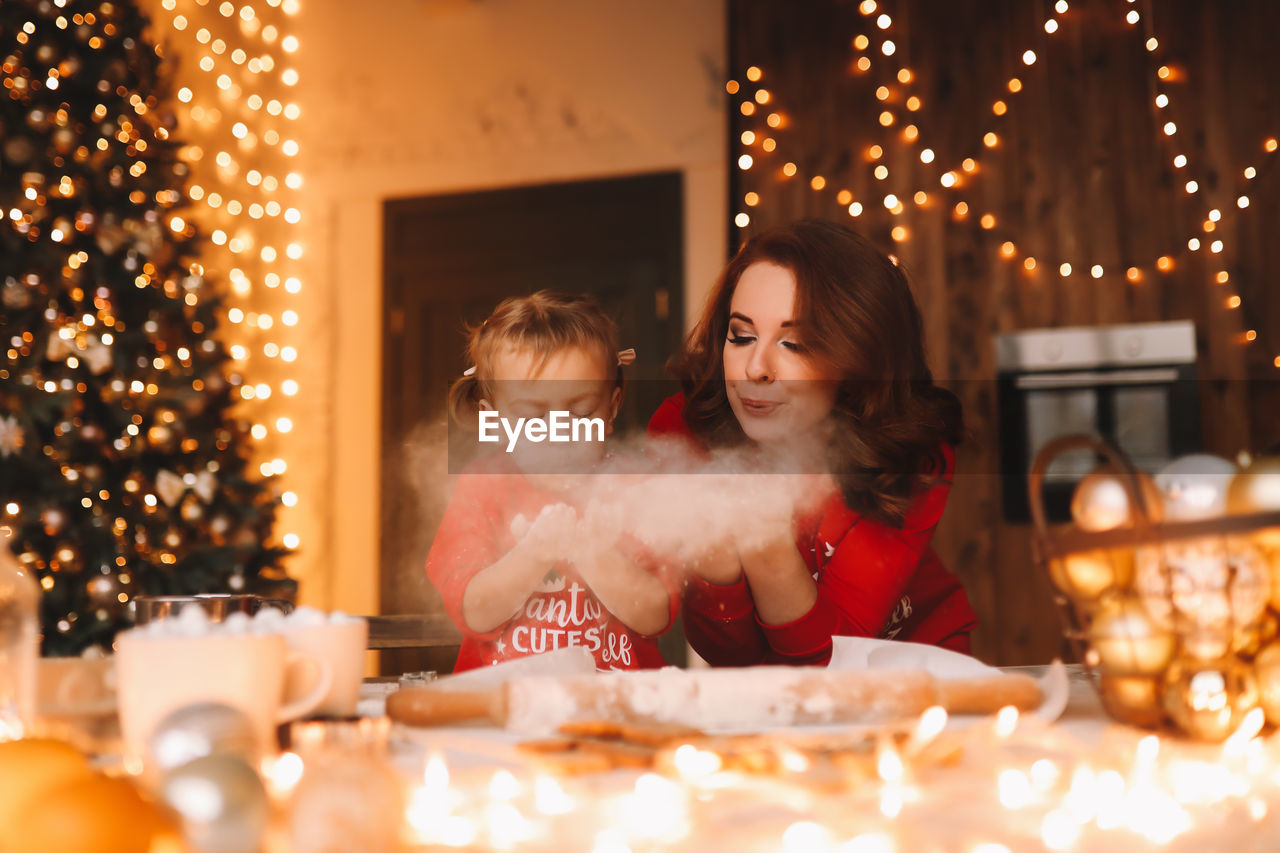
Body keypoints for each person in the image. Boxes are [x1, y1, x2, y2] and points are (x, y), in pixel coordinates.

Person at [649, 220, 978, 666]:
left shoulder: (910, 453)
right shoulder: (684, 432)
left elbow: (831, 660)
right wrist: (717, 564)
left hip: (915, 665)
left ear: (856, 356)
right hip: (773, 689)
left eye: (796, 344)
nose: (756, 368)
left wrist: (765, 544)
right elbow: (729, 654)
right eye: (741, 336)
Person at [427, 291, 680, 672]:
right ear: (492, 419)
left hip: (615, 704)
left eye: (580, 412)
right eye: (531, 417)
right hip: (504, 707)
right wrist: (534, 554)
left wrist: (593, 554)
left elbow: (656, 614)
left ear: (611, 408)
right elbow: (475, 612)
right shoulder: (481, 487)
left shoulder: (635, 488)